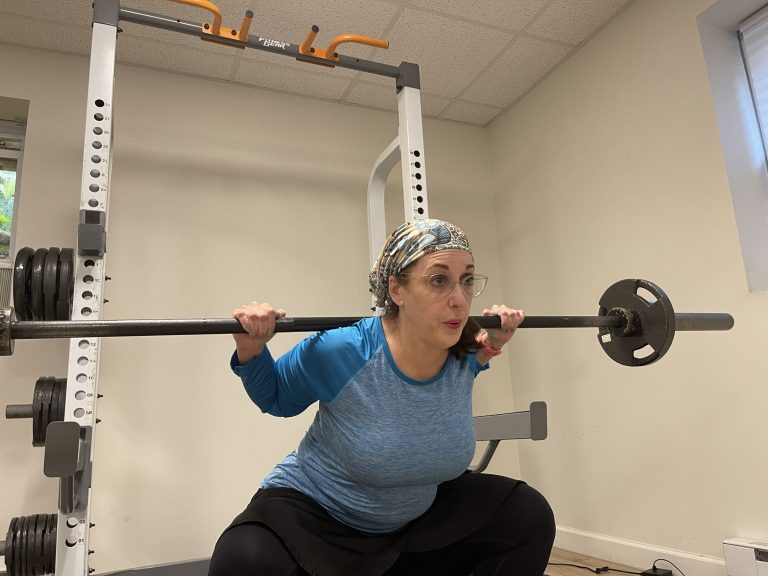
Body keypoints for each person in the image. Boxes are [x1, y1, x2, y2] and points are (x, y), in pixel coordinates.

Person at [209, 218, 555, 576]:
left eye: (466, 281)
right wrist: (251, 348)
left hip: (413, 520)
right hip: (319, 516)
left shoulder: (462, 350)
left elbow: (478, 357)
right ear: (396, 290)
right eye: (439, 280)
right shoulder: (343, 351)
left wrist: (496, 339)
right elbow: (275, 397)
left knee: (527, 516)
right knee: (243, 559)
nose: (459, 300)